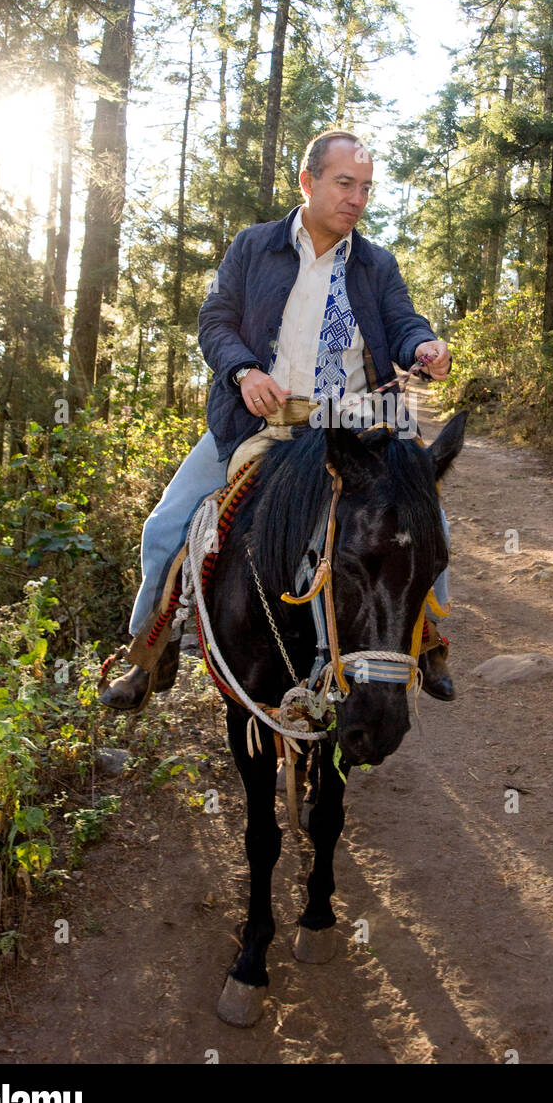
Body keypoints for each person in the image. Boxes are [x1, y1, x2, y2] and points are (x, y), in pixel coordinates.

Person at [101, 129, 455, 711]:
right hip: (258, 425)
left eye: (366, 188)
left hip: (355, 433)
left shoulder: (376, 264)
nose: (357, 199)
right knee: (166, 528)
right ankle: (149, 652)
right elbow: (215, 321)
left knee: (430, 522)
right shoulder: (253, 247)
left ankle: (426, 642)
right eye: (345, 184)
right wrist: (245, 373)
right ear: (307, 181)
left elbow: (404, 321)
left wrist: (424, 346)